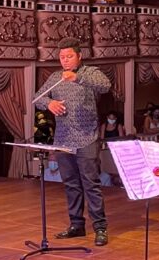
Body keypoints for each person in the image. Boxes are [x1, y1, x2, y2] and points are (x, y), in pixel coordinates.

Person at [33, 38, 112, 246]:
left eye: (69, 56)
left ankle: (100, 228)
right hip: (63, 139)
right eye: (62, 57)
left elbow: (105, 86)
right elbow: (37, 98)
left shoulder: (90, 73)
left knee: (91, 184)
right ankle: (77, 225)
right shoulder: (55, 77)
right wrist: (49, 103)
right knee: (70, 184)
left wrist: (77, 78)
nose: (65, 61)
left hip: (87, 137)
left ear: (79, 56)